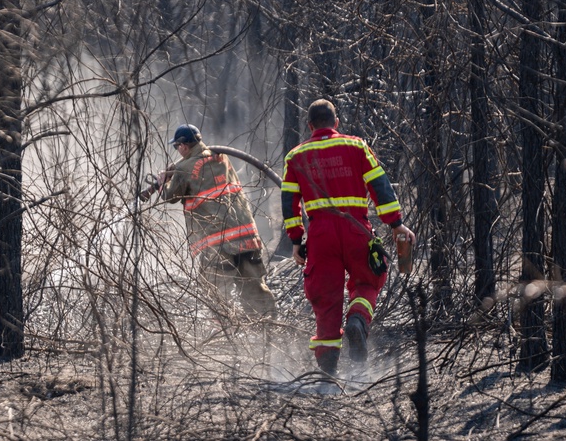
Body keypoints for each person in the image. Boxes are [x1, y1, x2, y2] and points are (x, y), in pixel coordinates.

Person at [281, 99, 415, 374]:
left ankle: (328, 372)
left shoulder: (295, 156)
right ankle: (358, 318)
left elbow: (289, 203)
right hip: (356, 229)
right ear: (336, 123)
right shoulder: (356, 146)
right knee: (369, 279)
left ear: (310, 126)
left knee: (326, 297)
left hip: (320, 236)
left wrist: (296, 239)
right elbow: (380, 186)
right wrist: (396, 224)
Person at [158, 124, 277, 319]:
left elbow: (170, 197)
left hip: (217, 245)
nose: (177, 151)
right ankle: (268, 332)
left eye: (176, 146)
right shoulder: (222, 157)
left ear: (183, 146)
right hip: (246, 236)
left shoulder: (184, 167)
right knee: (255, 292)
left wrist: (163, 181)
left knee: (217, 296)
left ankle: (224, 340)